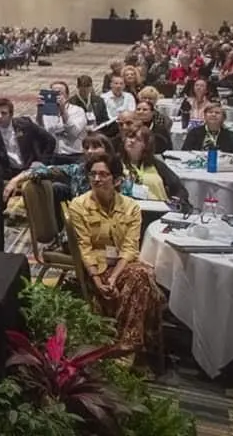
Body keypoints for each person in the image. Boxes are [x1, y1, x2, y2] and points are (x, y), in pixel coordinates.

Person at [66, 152, 166, 361]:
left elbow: (130, 248)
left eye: (103, 174)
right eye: (93, 174)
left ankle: (124, 346)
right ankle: (133, 348)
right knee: (147, 285)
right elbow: (84, 247)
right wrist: (97, 278)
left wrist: (113, 278)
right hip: (96, 269)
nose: (97, 179)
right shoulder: (78, 206)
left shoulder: (131, 207)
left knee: (141, 275)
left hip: (122, 267)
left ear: (117, 180)